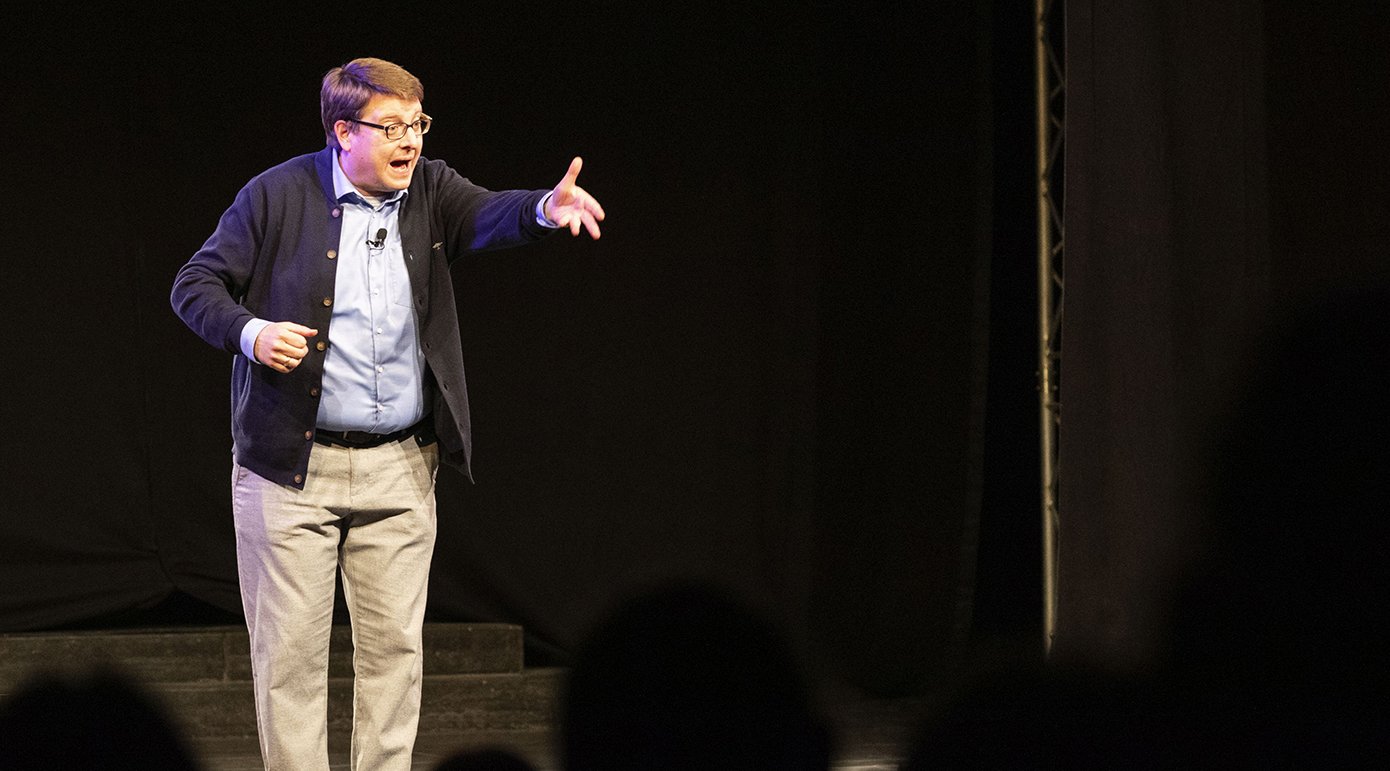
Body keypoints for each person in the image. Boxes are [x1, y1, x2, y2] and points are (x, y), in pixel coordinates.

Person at [170, 57, 604, 771]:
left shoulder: (430, 190)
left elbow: (489, 212)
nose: (411, 141)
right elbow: (196, 282)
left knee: (395, 659)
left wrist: (542, 209)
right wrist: (252, 334)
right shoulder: (277, 194)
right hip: (289, 471)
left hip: (400, 468)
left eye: (418, 124)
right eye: (392, 126)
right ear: (344, 131)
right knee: (290, 663)